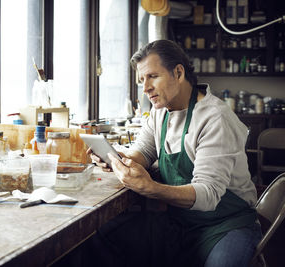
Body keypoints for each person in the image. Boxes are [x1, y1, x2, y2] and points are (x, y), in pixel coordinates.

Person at [53, 40, 262, 267]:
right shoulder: (159, 111)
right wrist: (115, 159)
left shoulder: (214, 118)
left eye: (153, 76)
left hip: (226, 225)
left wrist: (151, 188)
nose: (145, 88)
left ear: (178, 73)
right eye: (142, 80)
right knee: (95, 237)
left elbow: (208, 194)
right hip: (179, 223)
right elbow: (143, 152)